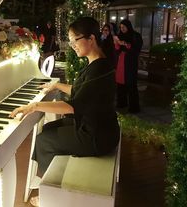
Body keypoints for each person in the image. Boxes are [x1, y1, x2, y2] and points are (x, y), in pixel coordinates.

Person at [10, 17, 120, 206]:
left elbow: (72, 106)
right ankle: (52, 183)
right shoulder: (98, 64)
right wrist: (57, 86)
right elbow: (81, 91)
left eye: (74, 40)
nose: (72, 46)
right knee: (51, 127)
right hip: (100, 126)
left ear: (91, 38)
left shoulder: (98, 69)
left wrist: (33, 106)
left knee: (44, 141)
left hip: (97, 137)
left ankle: (51, 196)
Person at [113, 19, 143, 113]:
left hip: (130, 62)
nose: (122, 29)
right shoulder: (119, 36)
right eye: (121, 27)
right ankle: (122, 103)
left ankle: (134, 107)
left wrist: (125, 44)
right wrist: (117, 44)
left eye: (124, 27)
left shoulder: (135, 36)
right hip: (121, 61)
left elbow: (136, 49)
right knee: (120, 84)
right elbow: (116, 50)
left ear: (128, 26)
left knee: (131, 84)